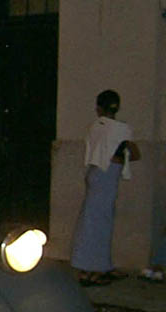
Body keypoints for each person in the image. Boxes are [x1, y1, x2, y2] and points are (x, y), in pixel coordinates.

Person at [70, 89, 141, 286]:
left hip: (95, 173)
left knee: (90, 221)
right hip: (108, 174)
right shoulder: (120, 129)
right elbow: (135, 154)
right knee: (102, 223)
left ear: (99, 108)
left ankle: (87, 267)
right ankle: (97, 269)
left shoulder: (96, 127)